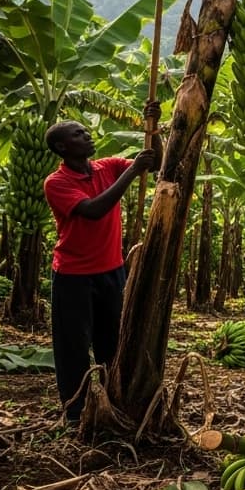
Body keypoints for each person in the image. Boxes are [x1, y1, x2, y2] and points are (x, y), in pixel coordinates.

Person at [43, 108, 158, 423]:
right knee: (74, 349)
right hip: (73, 276)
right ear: (63, 147)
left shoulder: (107, 166)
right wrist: (132, 171)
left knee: (111, 343)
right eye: (78, 133)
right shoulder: (57, 182)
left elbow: (153, 161)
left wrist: (155, 128)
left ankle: (112, 404)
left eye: (85, 130)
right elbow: (94, 210)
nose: (87, 135)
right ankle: (76, 414)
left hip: (111, 270)